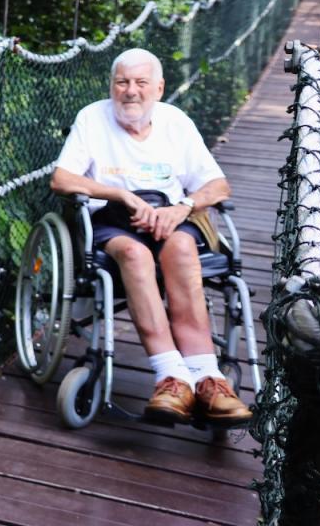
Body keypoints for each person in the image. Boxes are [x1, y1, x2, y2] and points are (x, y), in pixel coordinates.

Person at [49, 48, 252, 425]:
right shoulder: (92, 119)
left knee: (182, 248)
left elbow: (218, 185)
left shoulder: (176, 122)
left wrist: (183, 207)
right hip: (113, 220)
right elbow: (61, 179)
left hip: (172, 217)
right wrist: (121, 194)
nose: (131, 91)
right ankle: (171, 376)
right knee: (134, 254)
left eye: (141, 83)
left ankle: (208, 378)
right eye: (122, 82)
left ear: (159, 88)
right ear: (111, 86)